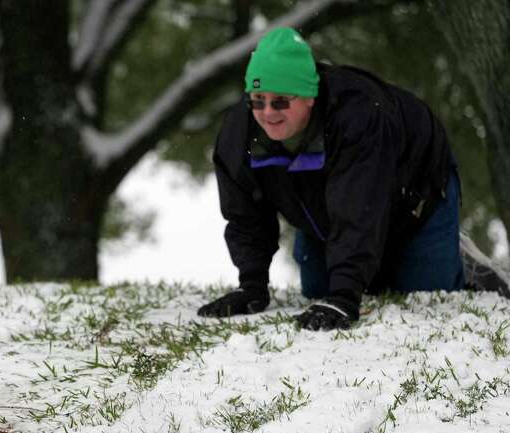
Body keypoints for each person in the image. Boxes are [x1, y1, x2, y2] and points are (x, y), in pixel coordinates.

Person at [198, 26, 510, 331]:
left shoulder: (358, 117)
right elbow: (245, 215)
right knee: (320, 289)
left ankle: (465, 263)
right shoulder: (239, 136)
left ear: (309, 95)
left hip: (415, 195)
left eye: (281, 101)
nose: (267, 112)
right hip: (326, 209)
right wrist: (251, 285)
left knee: (423, 293)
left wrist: (345, 296)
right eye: (256, 99)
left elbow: (359, 209)